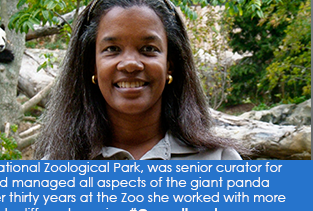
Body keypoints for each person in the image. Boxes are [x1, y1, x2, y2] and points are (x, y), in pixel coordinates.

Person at [35, 0, 246, 160]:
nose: (130, 64)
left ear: (170, 64)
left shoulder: (220, 161)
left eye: (148, 49)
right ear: (92, 65)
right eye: (112, 49)